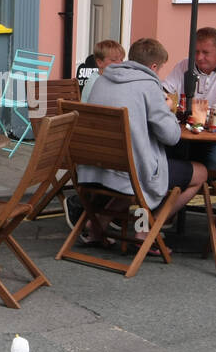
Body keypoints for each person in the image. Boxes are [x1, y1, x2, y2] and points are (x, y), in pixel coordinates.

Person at [73, 38, 207, 245]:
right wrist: (169, 108)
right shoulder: (149, 86)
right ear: (154, 66)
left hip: (96, 168)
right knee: (199, 172)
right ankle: (146, 229)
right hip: (128, 173)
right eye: (160, 68)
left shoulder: (102, 80)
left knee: (139, 168)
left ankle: (97, 225)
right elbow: (171, 136)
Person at [162, 26, 216, 172]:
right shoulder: (185, 65)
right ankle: (180, 190)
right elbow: (162, 92)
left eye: (205, 52)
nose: (199, 57)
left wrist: (197, 114)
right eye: (196, 51)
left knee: (211, 165)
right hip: (186, 137)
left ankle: (188, 188)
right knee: (162, 157)